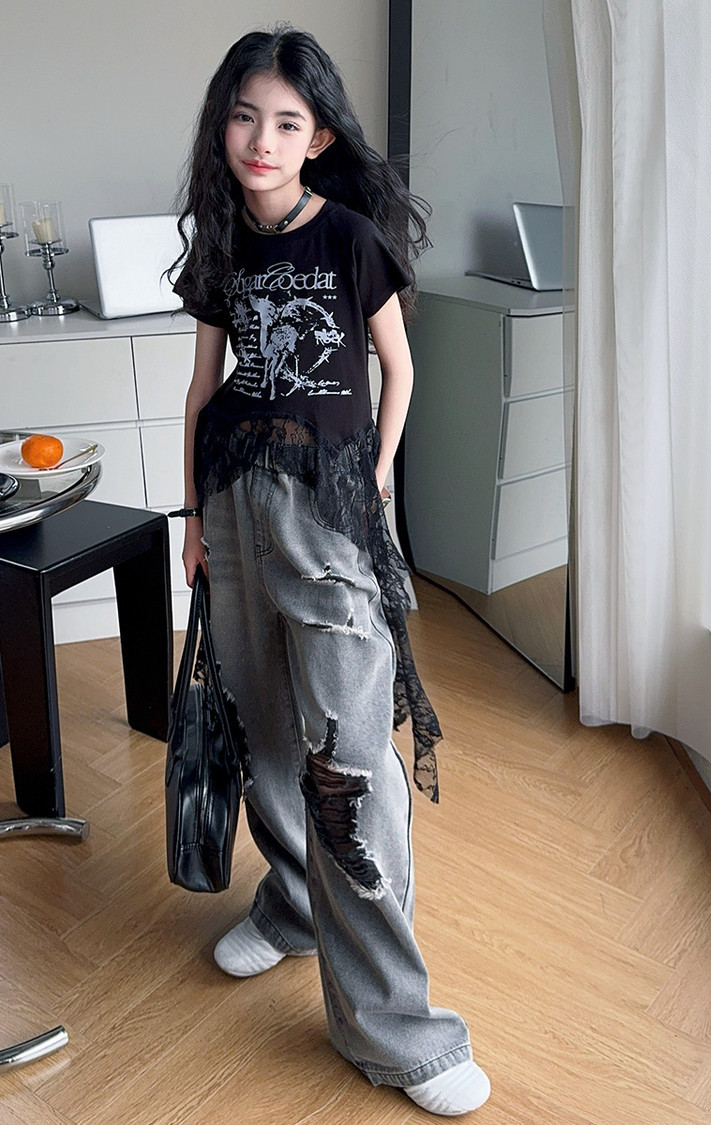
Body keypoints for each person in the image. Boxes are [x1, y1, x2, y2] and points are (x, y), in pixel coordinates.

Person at [170, 26, 490, 1117]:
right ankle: (298, 906)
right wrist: (195, 519)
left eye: (287, 122)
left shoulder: (350, 237)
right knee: (263, 730)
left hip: (328, 510)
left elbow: (398, 366)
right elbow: (203, 389)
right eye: (244, 116)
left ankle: (399, 1032)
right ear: (224, 126)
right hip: (232, 504)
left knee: (348, 765)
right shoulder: (221, 242)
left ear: (317, 139)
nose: (261, 139)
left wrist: (379, 477)